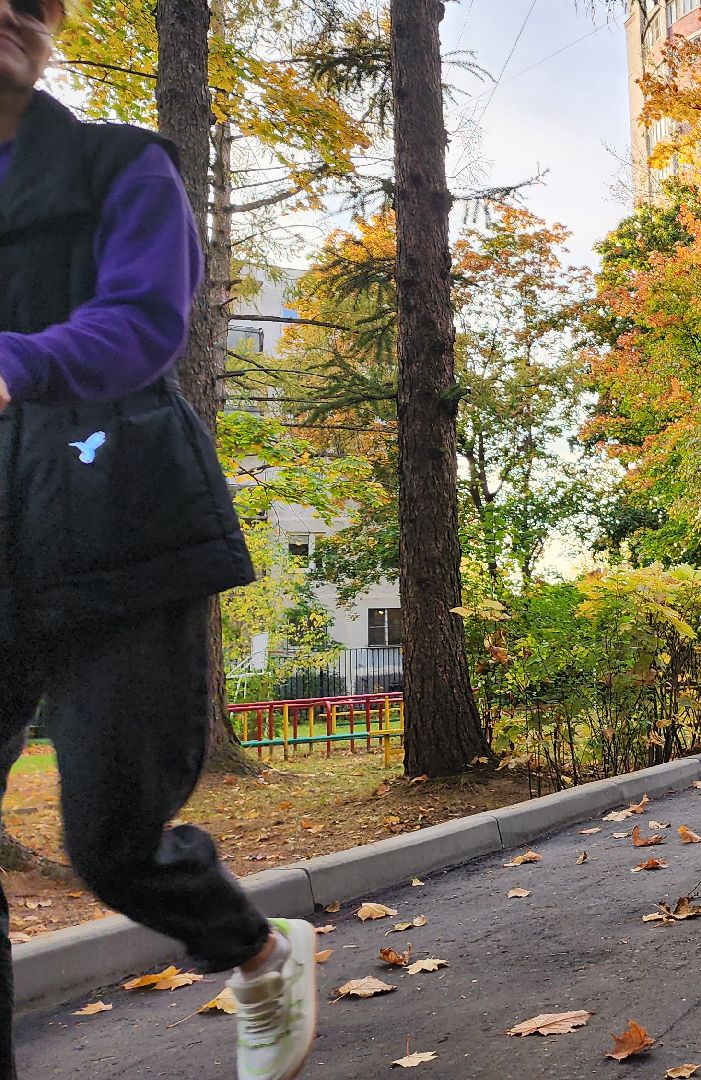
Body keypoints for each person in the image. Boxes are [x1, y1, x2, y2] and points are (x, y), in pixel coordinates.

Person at [0, 3, 318, 1077]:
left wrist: (16, 362)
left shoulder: (121, 167)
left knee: (114, 843)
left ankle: (259, 954)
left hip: (119, 537)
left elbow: (144, 321)